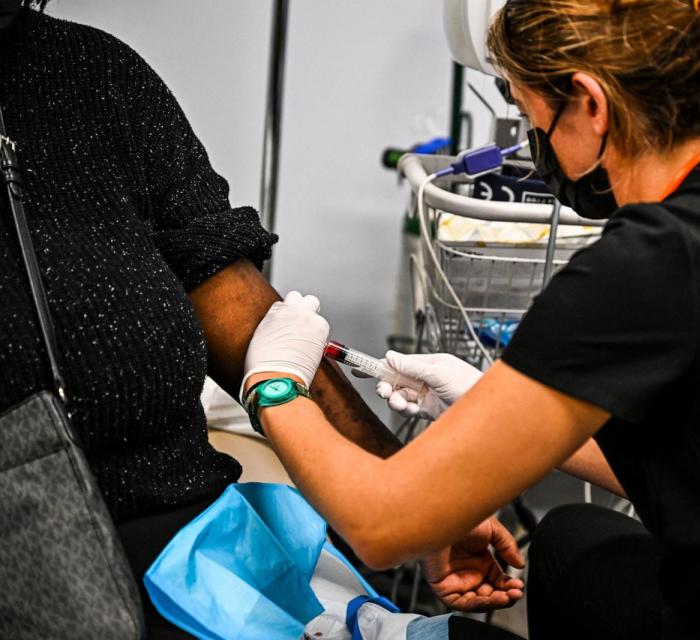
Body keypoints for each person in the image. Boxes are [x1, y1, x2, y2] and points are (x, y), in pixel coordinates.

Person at [237, 0, 700, 638]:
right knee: (570, 543)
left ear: (590, 103)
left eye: (532, 116)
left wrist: (273, 382)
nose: (533, 144)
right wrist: (486, 401)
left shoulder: (654, 260)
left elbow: (382, 525)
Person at [0, 2, 524, 637]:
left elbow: (246, 317)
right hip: (51, 577)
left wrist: (411, 495)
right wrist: (281, 390)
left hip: (201, 552)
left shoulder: (91, 74)